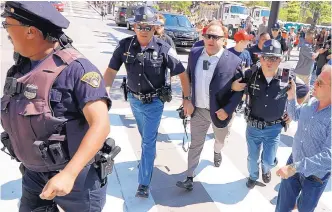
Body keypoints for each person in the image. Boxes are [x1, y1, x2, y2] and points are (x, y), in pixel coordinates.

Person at [1, 1, 112, 211]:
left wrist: (69, 174)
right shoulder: (24, 65)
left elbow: (101, 125)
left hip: (77, 180)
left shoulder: (77, 70)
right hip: (34, 174)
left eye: (8, 26)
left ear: (31, 32)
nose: (6, 32)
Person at [103, 6, 193, 198]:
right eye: (140, 26)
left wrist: (186, 99)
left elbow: (183, 74)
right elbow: (111, 71)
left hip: (154, 103)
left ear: (155, 28)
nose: (144, 30)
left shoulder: (164, 49)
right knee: (145, 137)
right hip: (134, 101)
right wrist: (104, 94)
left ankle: (143, 184)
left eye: (148, 27)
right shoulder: (124, 46)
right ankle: (148, 158)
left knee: (148, 142)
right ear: (134, 26)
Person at [175, 21, 243, 191]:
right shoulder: (195, 53)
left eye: (215, 37)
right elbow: (188, 78)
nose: (210, 40)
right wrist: (186, 99)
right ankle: (189, 176)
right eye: (207, 36)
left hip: (220, 112)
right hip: (198, 110)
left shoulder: (234, 61)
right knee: (196, 143)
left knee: (220, 140)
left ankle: (217, 151)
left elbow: (240, 90)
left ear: (224, 40)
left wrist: (227, 110)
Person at [231, 40, 294, 189]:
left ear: (280, 59)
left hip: (274, 128)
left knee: (268, 161)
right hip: (253, 126)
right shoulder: (251, 73)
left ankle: (267, 168)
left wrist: (291, 113)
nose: (269, 62)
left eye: (273, 58)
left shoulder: (287, 77)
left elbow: (304, 94)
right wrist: (234, 86)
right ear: (260, 58)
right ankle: (253, 176)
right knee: (252, 158)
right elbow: (232, 85)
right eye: (266, 57)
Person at [275, 65, 331, 212]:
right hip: (294, 163)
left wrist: (295, 167)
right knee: (282, 207)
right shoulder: (312, 102)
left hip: (314, 176)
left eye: (319, 83)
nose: (314, 85)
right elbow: (296, 115)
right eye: (316, 80)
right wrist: (291, 96)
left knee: (305, 209)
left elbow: (329, 156)